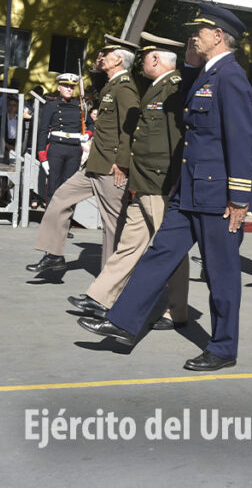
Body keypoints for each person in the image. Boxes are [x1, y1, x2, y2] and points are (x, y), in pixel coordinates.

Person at [77, 3, 252, 371]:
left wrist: (239, 197)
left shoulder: (231, 77)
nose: (193, 36)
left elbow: (242, 139)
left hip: (218, 197)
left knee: (221, 275)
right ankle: (123, 321)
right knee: (158, 255)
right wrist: (189, 63)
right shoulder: (207, 74)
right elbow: (183, 104)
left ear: (218, 36)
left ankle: (224, 348)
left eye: (199, 32)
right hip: (188, 191)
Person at [68, 33, 189, 330]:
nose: (141, 63)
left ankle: (177, 310)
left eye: (145, 57)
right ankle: (101, 298)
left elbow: (178, 142)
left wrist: (176, 182)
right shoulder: (155, 89)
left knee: (170, 249)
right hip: (144, 180)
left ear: (156, 59)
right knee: (128, 246)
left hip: (161, 184)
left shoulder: (174, 89)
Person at [28, 35, 140, 274]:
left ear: (118, 59)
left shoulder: (125, 88)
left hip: (111, 168)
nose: (101, 56)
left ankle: (112, 280)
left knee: (112, 225)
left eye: (106, 53)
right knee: (59, 199)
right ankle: (54, 255)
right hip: (93, 164)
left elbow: (130, 128)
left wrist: (122, 163)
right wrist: (97, 64)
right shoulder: (111, 85)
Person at [34, 73, 85, 202]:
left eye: (72, 87)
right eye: (66, 86)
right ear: (59, 88)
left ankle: (66, 215)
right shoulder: (51, 106)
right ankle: (51, 214)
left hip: (74, 148)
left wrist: (87, 134)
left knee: (69, 188)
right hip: (57, 148)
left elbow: (90, 124)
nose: (69, 89)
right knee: (53, 186)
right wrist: (42, 156)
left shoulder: (80, 106)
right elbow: (43, 130)